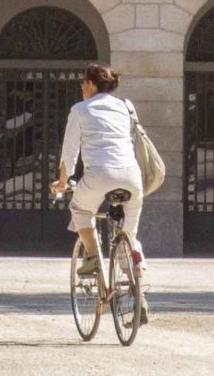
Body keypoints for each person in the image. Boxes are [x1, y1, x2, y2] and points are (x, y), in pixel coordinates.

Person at [48, 62, 144, 281]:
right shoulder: (126, 106)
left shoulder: (80, 109)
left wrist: (63, 182)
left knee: (80, 209)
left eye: (83, 82)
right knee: (129, 234)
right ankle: (137, 281)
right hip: (131, 174)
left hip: (99, 173)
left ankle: (92, 258)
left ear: (90, 84)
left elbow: (70, 151)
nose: (82, 87)